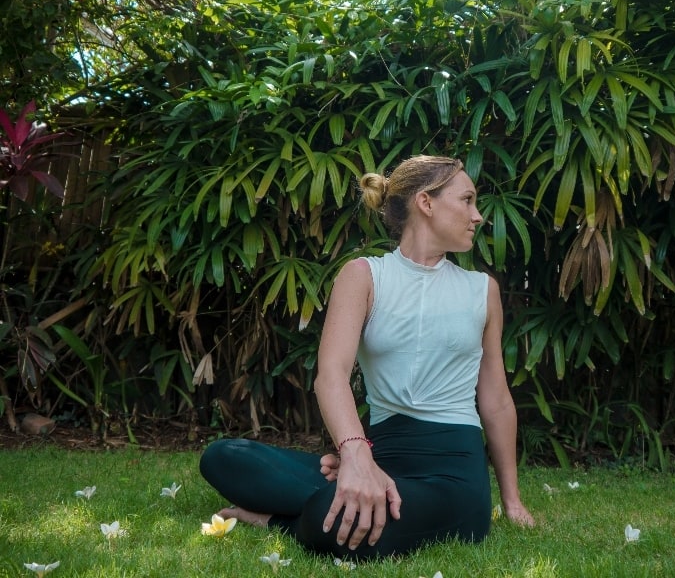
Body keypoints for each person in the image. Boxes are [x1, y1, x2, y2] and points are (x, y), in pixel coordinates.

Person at [199, 155, 535, 560]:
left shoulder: (483, 290)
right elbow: (331, 375)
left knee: (335, 514)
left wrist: (512, 502)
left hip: (451, 477)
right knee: (224, 458)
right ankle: (354, 491)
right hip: (380, 456)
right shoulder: (364, 276)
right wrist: (357, 456)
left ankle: (277, 520)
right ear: (426, 203)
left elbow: (496, 399)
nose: (477, 216)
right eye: (466, 200)